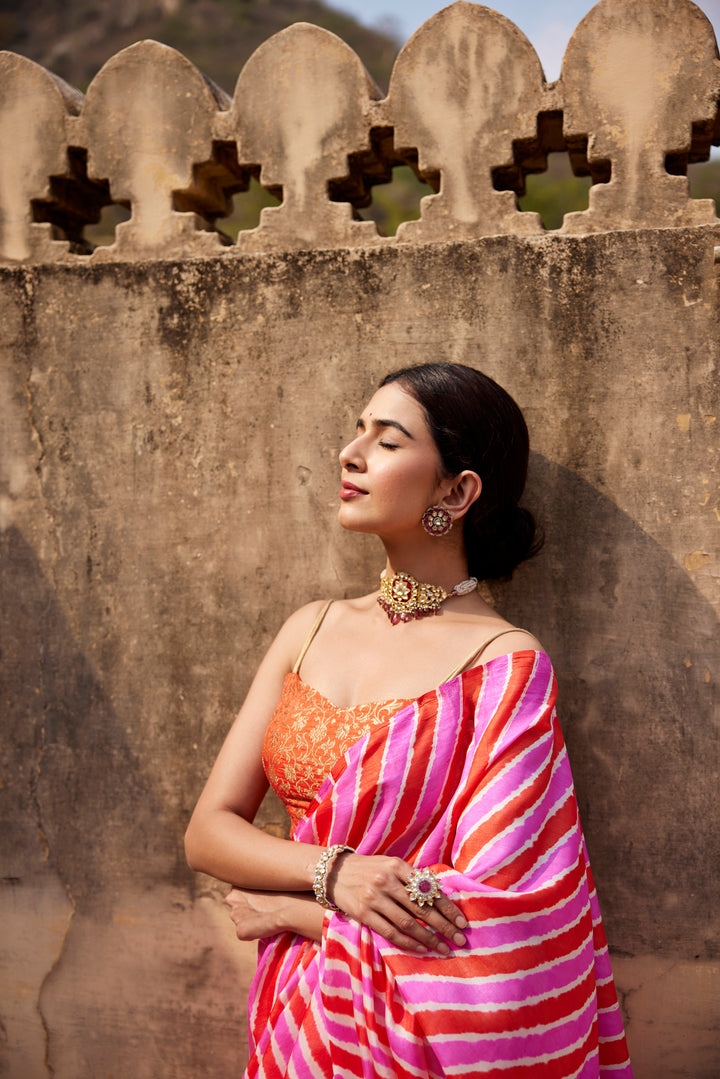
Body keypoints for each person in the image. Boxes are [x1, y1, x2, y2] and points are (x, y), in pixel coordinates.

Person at [185, 362, 633, 1078]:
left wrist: (300, 911)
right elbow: (209, 831)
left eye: (387, 441)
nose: (350, 453)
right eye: (357, 431)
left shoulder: (504, 665)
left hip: (406, 1038)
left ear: (456, 492)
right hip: (297, 1017)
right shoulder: (310, 628)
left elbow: (508, 916)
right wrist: (335, 872)